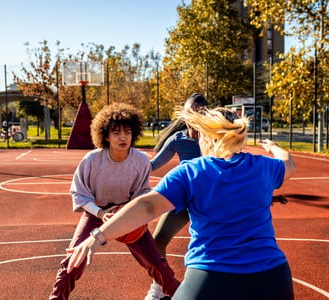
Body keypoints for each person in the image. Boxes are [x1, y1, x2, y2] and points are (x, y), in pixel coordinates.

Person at [67, 106, 297, 299]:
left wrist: (98, 236)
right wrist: (275, 148)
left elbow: (148, 206)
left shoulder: (192, 171)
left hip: (212, 276)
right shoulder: (265, 167)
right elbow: (290, 166)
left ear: (207, 136)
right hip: (273, 277)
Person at [48, 103, 180, 300]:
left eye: (127, 132)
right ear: (105, 135)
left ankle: (182, 295)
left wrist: (127, 211)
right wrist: (101, 213)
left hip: (127, 213)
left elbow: (143, 193)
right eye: (116, 132)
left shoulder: (141, 161)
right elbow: (79, 194)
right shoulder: (92, 160)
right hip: (96, 214)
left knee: (156, 264)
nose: (123, 137)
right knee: (73, 261)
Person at [146, 93, 207, 299]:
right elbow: (153, 165)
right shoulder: (178, 140)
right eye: (193, 110)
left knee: (213, 244)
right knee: (157, 242)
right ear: (185, 114)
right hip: (184, 198)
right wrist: (127, 164)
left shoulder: (213, 138)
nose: (197, 114)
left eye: (202, 110)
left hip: (209, 200)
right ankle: (161, 287)